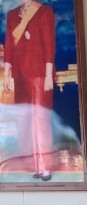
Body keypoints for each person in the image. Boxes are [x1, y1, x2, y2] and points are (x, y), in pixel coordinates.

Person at [3, 0, 55, 180]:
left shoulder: (44, 12)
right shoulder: (12, 15)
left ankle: (45, 167)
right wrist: (7, 74)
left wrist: (48, 75)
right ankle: (35, 166)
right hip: (20, 75)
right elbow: (9, 45)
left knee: (40, 120)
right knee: (25, 121)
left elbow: (49, 44)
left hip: (39, 74)